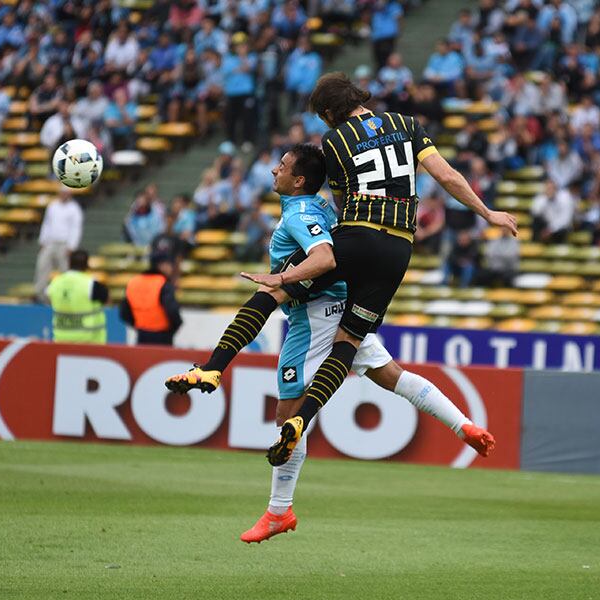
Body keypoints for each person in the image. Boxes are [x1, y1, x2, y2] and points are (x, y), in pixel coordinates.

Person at [169, 73, 517, 468]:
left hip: (357, 237)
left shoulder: (334, 142)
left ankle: (213, 370)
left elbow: (341, 204)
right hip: (400, 247)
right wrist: (487, 212)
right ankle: (306, 419)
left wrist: (289, 271)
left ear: (330, 111)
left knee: (274, 292)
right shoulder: (405, 124)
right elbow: (447, 176)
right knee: (351, 340)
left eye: (323, 116)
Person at [165, 144, 495, 542]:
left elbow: (323, 257)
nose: (273, 170)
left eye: (282, 166)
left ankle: (279, 511)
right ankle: (464, 426)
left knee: (287, 417)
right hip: (344, 308)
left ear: (298, 179)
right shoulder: (321, 205)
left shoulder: (301, 213)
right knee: (393, 375)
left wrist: (282, 280)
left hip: (312, 319)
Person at [45, 250, 108, 344]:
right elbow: (106, 299)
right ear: (87, 264)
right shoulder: (91, 284)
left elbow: (48, 298)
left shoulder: (55, 282)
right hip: (89, 343)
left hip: (61, 341)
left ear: (69, 263)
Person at [120, 251, 182, 345]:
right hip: (163, 337)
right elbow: (172, 311)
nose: (171, 268)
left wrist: (139, 325)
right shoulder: (164, 284)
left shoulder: (134, 282)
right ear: (162, 265)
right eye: (169, 264)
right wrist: (174, 327)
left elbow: (124, 313)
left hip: (141, 335)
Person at [35, 189, 83, 302]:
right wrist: (42, 240)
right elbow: (47, 224)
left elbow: (76, 228)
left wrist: (72, 246)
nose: (64, 195)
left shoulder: (74, 209)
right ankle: (41, 296)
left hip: (64, 245)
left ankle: (66, 297)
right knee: (42, 267)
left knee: (65, 272)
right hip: (50, 243)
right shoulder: (53, 206)